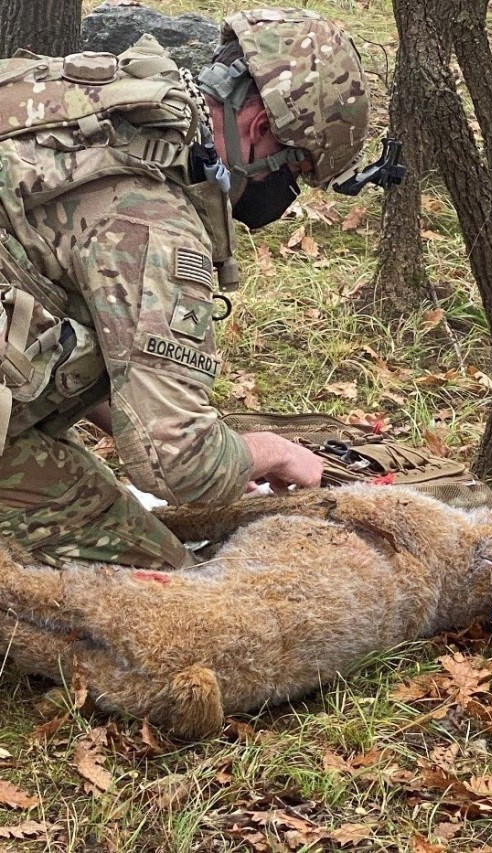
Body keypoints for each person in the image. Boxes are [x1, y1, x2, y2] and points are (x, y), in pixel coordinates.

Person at [0, 8, 369, 569]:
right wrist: (266, 454)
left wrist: (223, 453)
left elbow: (86, 335)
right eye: (293, 174)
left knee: (103, 498)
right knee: (173, 589)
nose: (284, 199)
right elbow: (181, 465)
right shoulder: (154, 222)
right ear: (261, 131)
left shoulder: (92, 103)